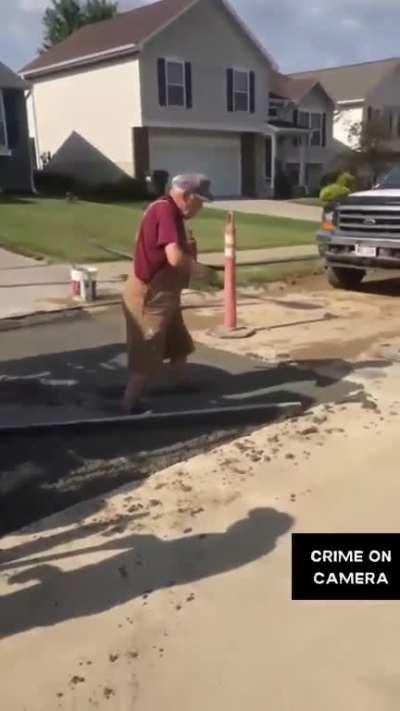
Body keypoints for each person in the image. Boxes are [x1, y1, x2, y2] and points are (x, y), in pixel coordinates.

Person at [122, 173, 213, 413]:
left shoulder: (167, 211)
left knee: (178, 343)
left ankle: (181, 383)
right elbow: (174, 257)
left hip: (166, 291)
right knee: (146, 352)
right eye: (200, 202)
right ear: (186, 196)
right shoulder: (165, 211)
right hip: (150, 294)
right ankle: (128, 405)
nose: (201, 208)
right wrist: (204, 273)